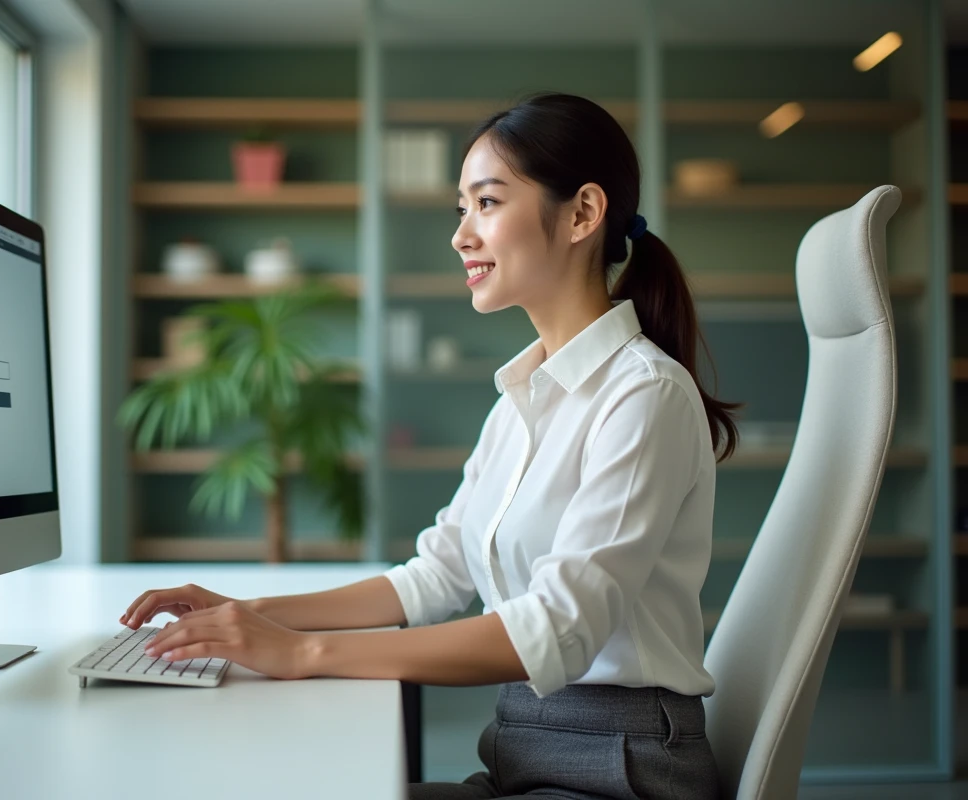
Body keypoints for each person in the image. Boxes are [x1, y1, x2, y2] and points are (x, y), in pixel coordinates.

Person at [119, 92, 740, 799]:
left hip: (622, 771)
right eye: (462, 208)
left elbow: (556, 629)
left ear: (583, 214)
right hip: (527, 752)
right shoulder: (521, 399)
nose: (461, 236)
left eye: (487, 203)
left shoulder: (644, 396)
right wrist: (247, 614)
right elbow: (434, 579)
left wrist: (305, 653)